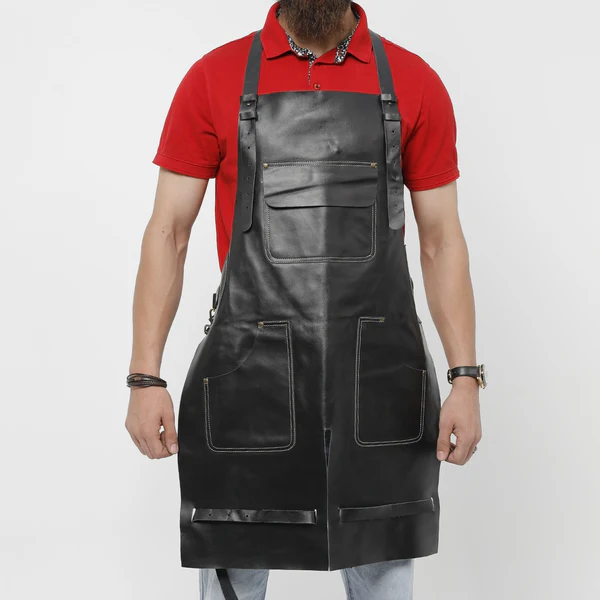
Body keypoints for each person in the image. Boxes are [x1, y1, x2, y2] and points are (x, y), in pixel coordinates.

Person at [125, 2, 485, 599]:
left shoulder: (413, 80)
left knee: (383, 567)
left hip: (378, 378)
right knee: (235, 565)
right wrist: (145, 378)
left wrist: (466, 378)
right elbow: (168, 232)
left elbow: (442, 239)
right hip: (248, 375)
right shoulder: (213, 77)